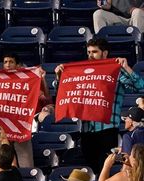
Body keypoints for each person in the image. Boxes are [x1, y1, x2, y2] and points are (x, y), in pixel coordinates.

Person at [55, 38, 144, 173]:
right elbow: (65, 92)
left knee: (105, 170)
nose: (90, 55)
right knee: (91, 171)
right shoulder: (82, 70)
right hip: (86, 130)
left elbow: (140, 87)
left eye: (94, 52)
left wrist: (126, 68)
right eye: (89, 52)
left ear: (105, 53)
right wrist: (60, 76)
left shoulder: (117, 71)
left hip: (107, 131)